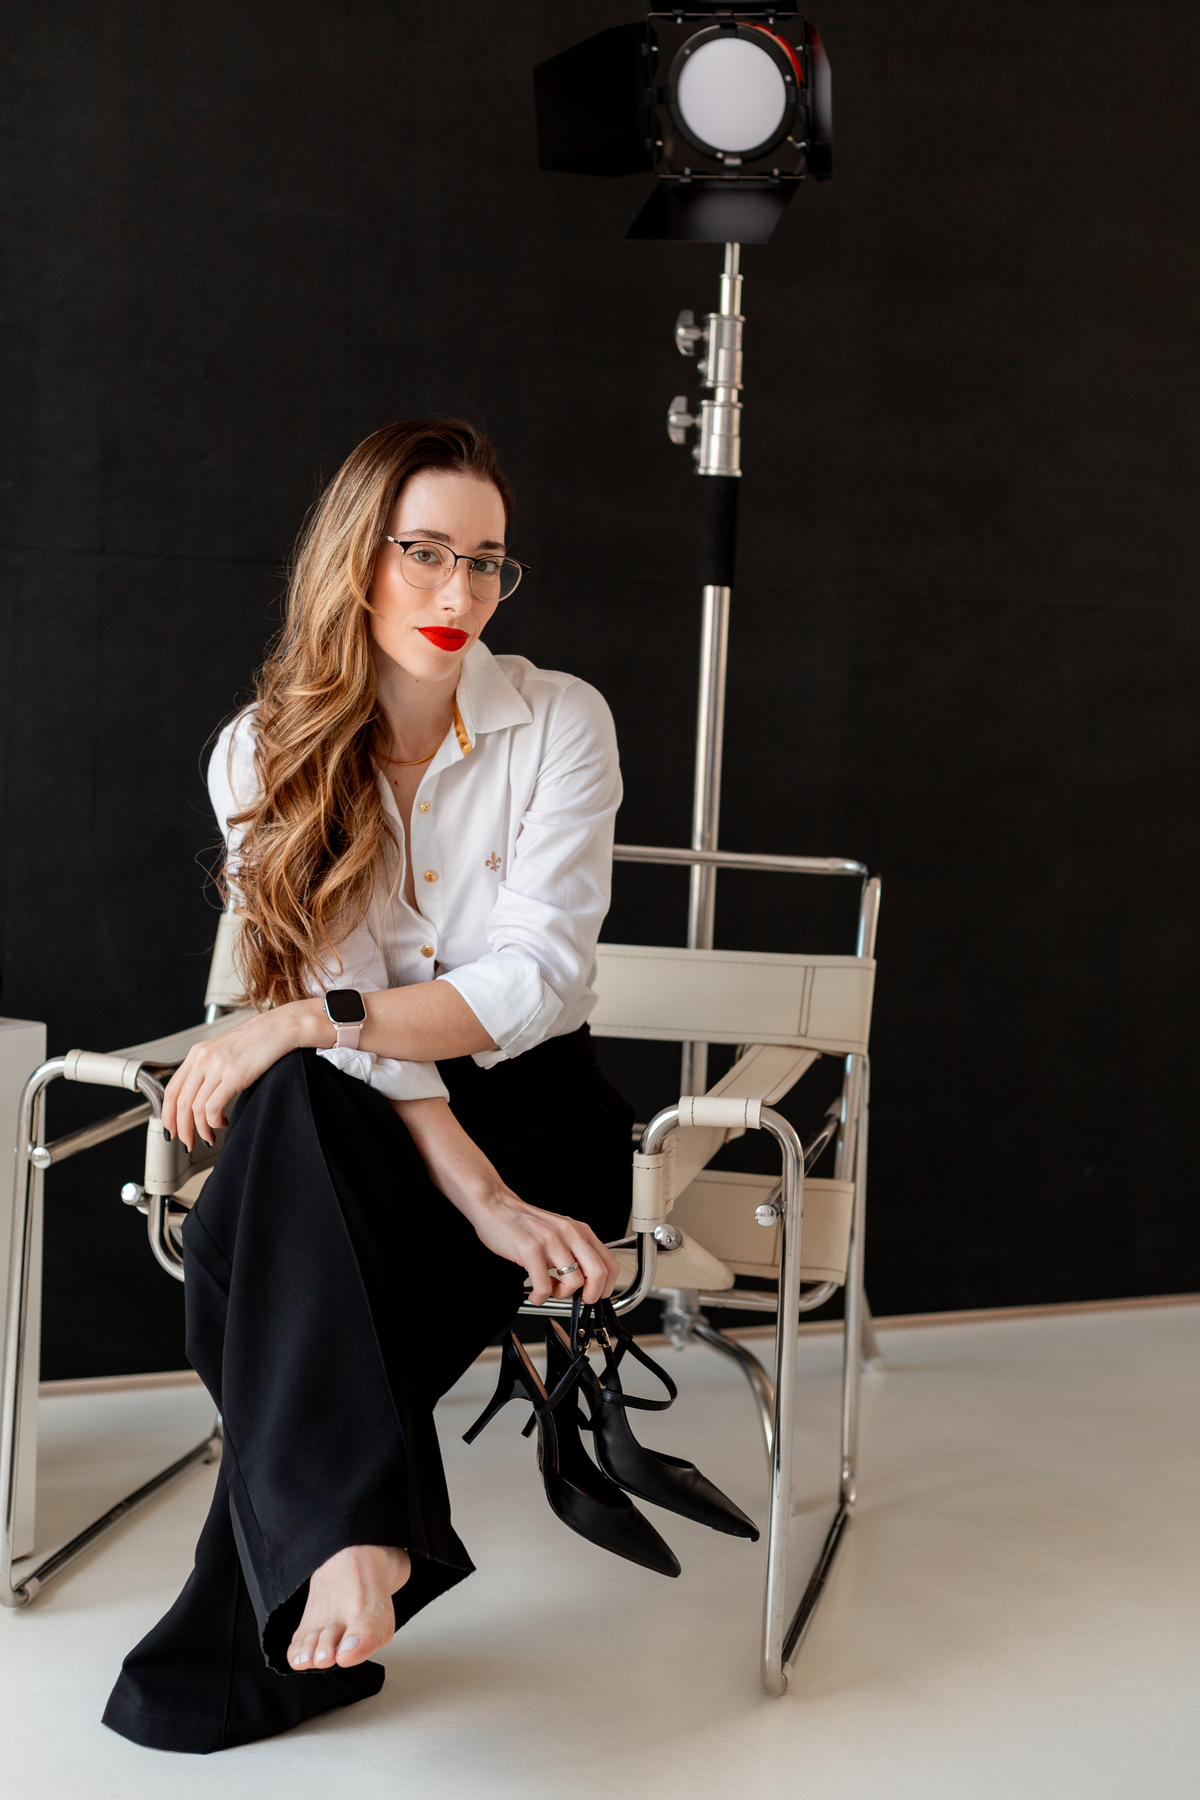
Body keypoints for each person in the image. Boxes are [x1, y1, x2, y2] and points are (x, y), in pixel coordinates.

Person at [101, 419, 638, 1754]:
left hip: (540, 1110)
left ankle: (324, 1557)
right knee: (302, 1112)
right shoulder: (263, 750)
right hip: (370, 1128)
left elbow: (530, 981)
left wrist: (302, 1023)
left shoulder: (560, 722)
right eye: (426, 553)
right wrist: (475, 1197)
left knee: (245, 1242)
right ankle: (354, 1537)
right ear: (357, 558)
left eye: (488, 562)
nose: (461, 592)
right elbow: (348, 1041)